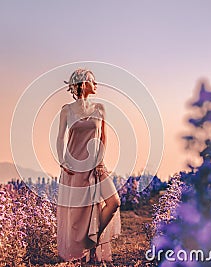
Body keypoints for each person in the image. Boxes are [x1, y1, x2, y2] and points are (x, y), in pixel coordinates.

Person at [56, 68, 121, 264]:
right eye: (93, 81)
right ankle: (86, 254)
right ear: (83, 84)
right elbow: (60, 138)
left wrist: (100, 161)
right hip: (74, 167)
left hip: (96, 165)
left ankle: (93, 241)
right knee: (79, 215)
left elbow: (103, 138)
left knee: (113, 202)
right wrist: (62, 160)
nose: (96, 85)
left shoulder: (100, 108)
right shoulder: (66, 110)